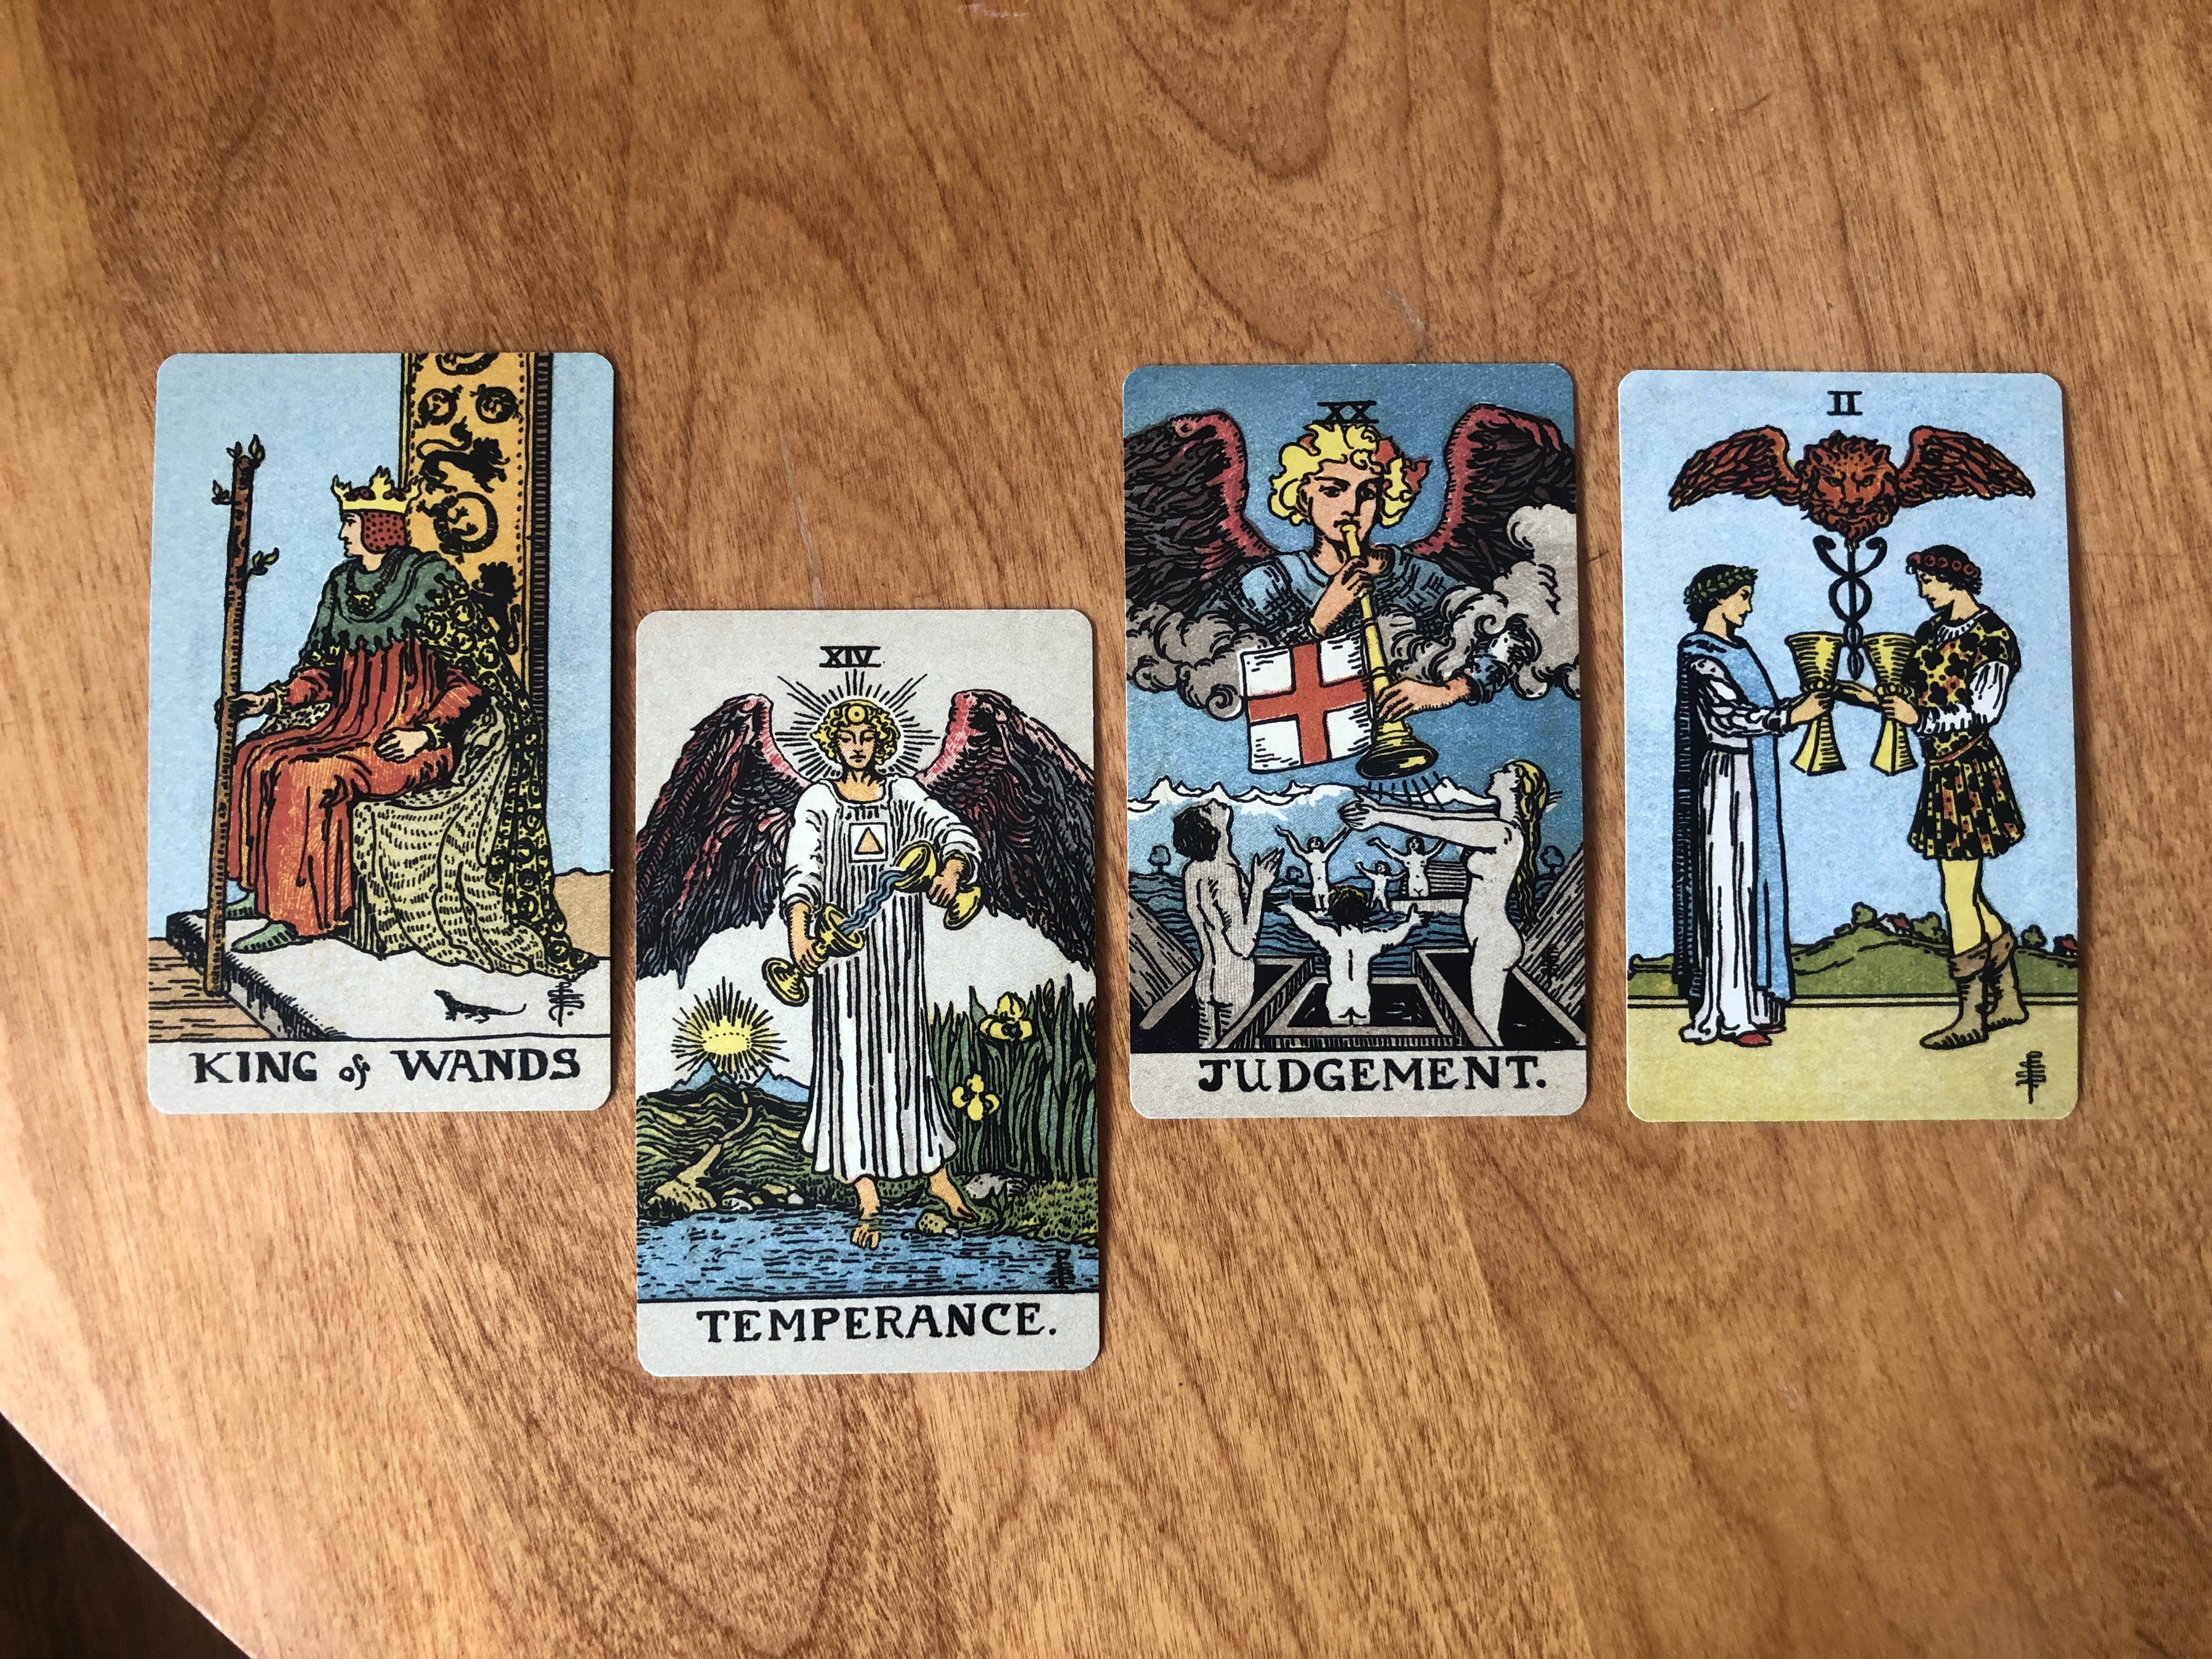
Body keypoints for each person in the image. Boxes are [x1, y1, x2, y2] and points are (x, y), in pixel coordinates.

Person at [223, 469, 585, 976]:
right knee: (255, 756)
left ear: (377, 525)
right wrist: (272, 699)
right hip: (344, 727)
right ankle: (264, 891)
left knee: (310, 777)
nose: (342, 533)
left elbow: (470, 683)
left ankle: (298, 916)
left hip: (411, 742)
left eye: (351, 523)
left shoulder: (431, 582)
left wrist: (426, 732)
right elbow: (322, 673)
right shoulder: (342, 584)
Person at [781, 698, 981, 1246]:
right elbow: (803, 869)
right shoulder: (819, 801)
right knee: (849, 1065)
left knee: (906, 1062)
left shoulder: (903, 794)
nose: (857, 747)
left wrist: (951, 870)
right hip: (842, 964)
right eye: (847, 739)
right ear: (833, 744)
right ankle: (867, 1198)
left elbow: (952, 831)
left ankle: (938, 1179)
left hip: (897, 959)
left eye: (867, 737)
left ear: (882, 743)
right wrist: (800, 936)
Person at [1213, 412, 1537, 710]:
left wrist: (1447, 691)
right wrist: (1319, 621)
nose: (1352, 507)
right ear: (1302, 497)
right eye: (1333, 491)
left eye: (1368, 493)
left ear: (1386, 499)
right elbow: (1229, 672)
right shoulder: (1269, 584)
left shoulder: (1416, 577)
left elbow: (1515, 635)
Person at [1849, 545, 2029, 1048]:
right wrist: (1871, 699)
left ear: (1954, 580)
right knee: (1967, 892)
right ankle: (2008, 1000)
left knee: (1956, 894)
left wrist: (1921, 719)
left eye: (1928, 582)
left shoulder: (1993, 636)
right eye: (1921, 583)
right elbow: (1909, 697)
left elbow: (1985, 711)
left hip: (1970, 771)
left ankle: (1971, 1016)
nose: (1923, 592)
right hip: (1941, 773)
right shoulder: (1929, 634)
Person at [1668, 565, 1829, 1047]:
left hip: (1755, 777)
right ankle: (1729, 1014)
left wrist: (1798, 708)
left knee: (1758, 886)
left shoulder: (1740, 649)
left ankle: (1759, 1003)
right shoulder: (1700, 652)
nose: (1749, 606)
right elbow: (1724, 719)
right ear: (1718, 600)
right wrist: (1790, 715)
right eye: (1742, 596)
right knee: (1727, 890)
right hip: (1724, 779)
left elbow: (1759, 711)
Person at [1340, 759, 1556, 1044]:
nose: (1494, 771)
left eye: (1505, 771)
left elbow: (1438, 826)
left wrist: (1382, 815)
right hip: (1488, 939)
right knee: (1483, 1031)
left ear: (1517, 784)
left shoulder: (1502, 833)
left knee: (1486, 1035)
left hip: (1494, 942)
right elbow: (1440, 817)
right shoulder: (1497, 825)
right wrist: (1382, 809)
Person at [1175, 800, 1280, 1047]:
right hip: (1233, 982)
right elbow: (1243, 945)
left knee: (1207, 1052)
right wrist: (1259, 888)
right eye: (1208, 810)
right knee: (1232, 1052)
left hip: (1206, 981)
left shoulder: (1192, 871)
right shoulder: (1225, 875)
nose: (1214, 802)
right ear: (1212, 829)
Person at [1282, 887, 1419, 1025]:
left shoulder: (1330, 938)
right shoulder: (1369, 940)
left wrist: (1290, 909)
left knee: (1338, 1032)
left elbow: (1307, 924)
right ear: (1362, 912)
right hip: (1361, 998)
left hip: (1337, 999)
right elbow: (1394, 937)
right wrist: (1411, 923)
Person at [1276, 825, 1349, 911]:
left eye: (1318, 841)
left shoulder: (1324, 855)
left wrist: (1344, 832)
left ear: (1321, 843)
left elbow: (1335, 843)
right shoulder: (1309, 857)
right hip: (1316, 888)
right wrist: (1288, 835)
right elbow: (1297, 849)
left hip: (1324, 887)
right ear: (1310, 845)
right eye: (1313, 841)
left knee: (1326, 907)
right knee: (1318, 907)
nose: (1316, 842)